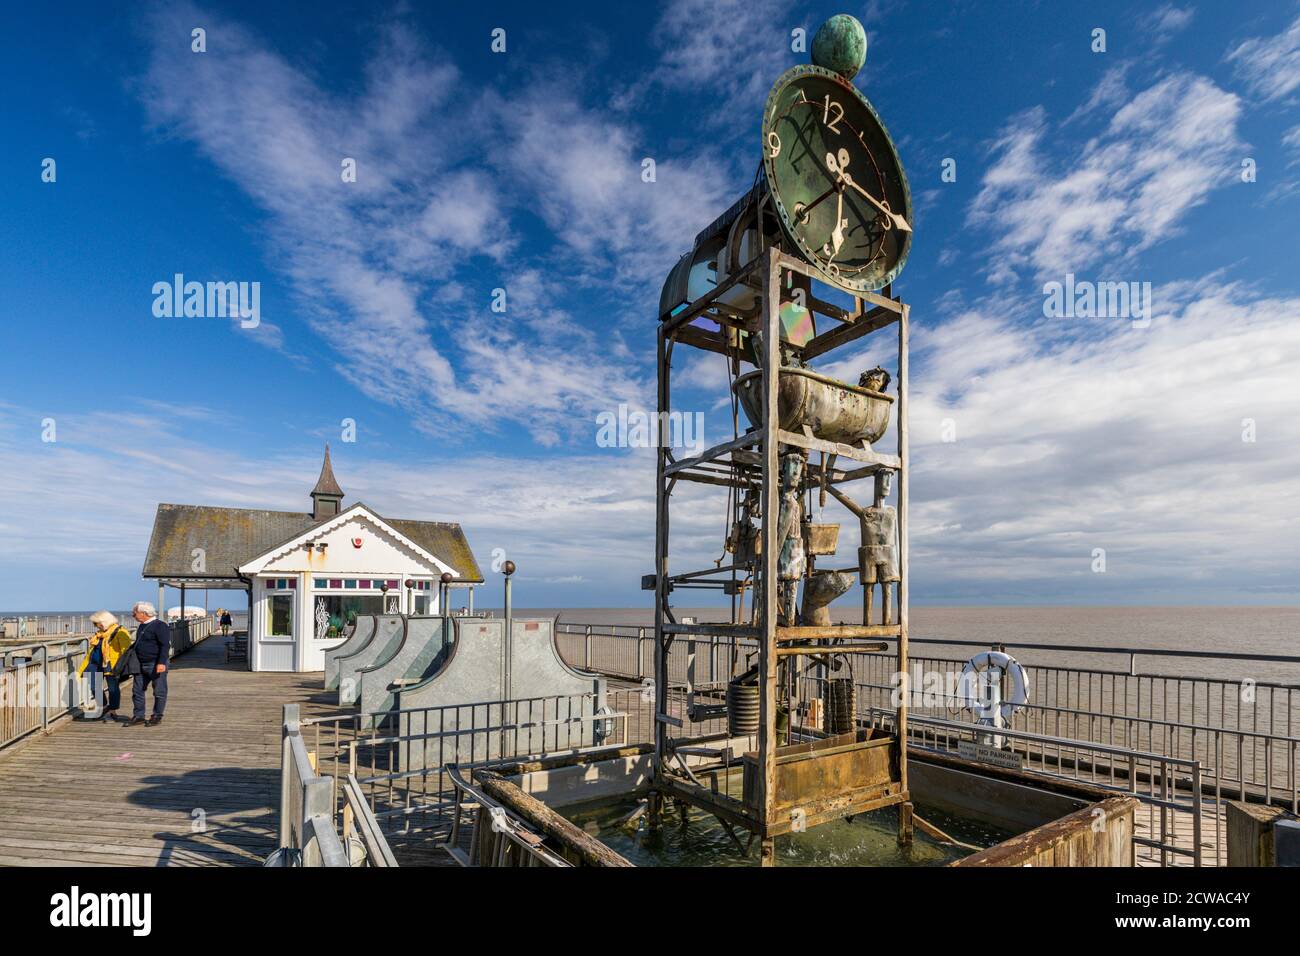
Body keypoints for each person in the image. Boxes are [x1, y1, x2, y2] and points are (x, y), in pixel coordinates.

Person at [77, 610, 132, 722]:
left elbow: (126, 650)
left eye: (96, 623)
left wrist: (123, 666)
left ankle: (112, 711)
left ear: (104, 622)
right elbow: (91, 652)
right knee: (93, 686)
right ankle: (104, 706)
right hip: (94, 664)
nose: (95, 626)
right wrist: (82, 668)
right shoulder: (99, 635)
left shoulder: (120, 631)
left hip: (111, 664)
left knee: (113, 688)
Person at [128, 601, 170, 727]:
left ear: (144, 613)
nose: (133, 615)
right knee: (137, 691)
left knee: (159, 691)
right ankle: (139, 715)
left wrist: (161, 663)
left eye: (134, 613)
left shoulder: (160, 625)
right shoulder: (142, 625)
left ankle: (157, 715)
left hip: (155, 663)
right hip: (140, 664)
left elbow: (165, 645)